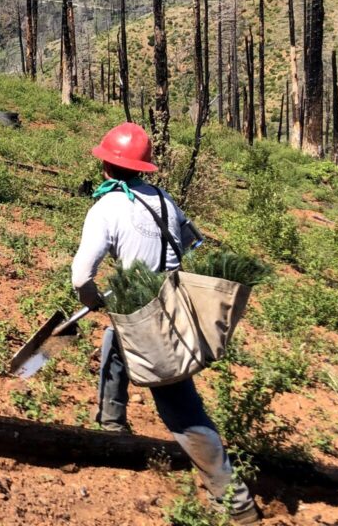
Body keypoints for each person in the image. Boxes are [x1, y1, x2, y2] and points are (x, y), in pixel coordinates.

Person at [71, 123, 259, 524]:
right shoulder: (163, 200)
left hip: (147, 316)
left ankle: (236, 502)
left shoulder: (105, 208)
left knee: (180, 406)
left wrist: (94, 299)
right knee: (114, 346)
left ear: (106, 163)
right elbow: (191, 243)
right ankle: (111, 427)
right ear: (141, 168)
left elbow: (80, 275)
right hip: (173, 306)